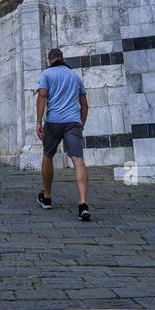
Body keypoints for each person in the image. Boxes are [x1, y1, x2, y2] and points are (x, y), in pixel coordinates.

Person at [35, 47, 91, 220]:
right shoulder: (75, 76)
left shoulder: (46, 74)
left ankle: (47, 197)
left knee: (48, 156)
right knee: (78, 160)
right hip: (73, 122)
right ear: (63, 59)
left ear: (49, 60)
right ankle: (82, 204)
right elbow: (84, 104)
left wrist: (38, 121)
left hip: (53, 122)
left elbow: (42, 96)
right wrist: (81, 123)